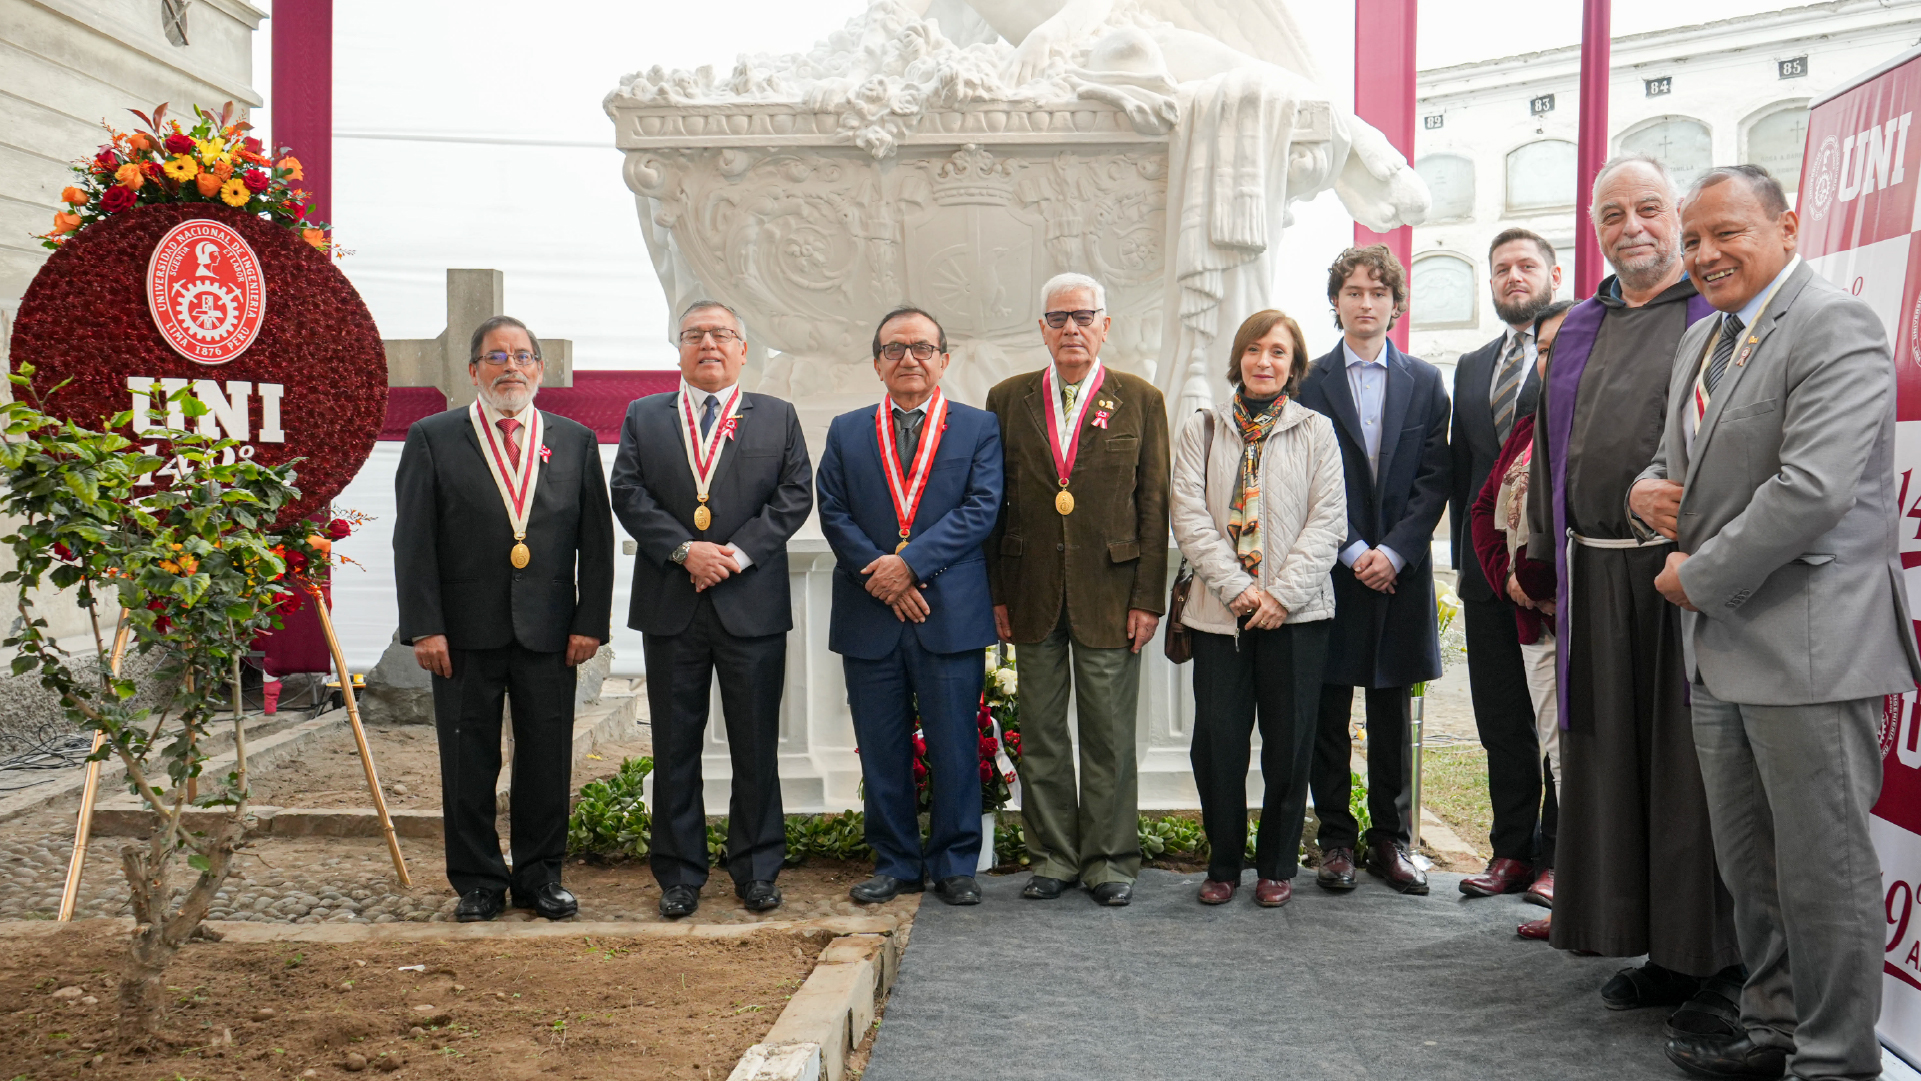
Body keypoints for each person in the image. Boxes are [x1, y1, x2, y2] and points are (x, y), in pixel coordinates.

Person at [1629, 165, 1921, 1081]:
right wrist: (1641, 493)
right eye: (1691, 241)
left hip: (1807, 645)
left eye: (1725, 233)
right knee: (1750, 862)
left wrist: (1696, 578)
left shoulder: (1834, 325)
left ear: (1786, 226)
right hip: (1720, 651)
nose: (1704, 254)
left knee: (1822, 867)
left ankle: (1834, 1060)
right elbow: (1670, 465)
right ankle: (1773, 1025)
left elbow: (1813, 491)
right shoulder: (1704, 342)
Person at [1523, 153, 1740, 1027]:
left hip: (1684, 574)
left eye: (1647, 208)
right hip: (1592, 572)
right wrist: (1542, 553)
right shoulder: (1576, 324)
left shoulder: (1718, 314)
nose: (1631, 227)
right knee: (1614, 761)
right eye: (1610, 215)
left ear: (1677, 213)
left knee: (1691, 770)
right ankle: (1651, 943)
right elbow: (1550, 446)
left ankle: (1717, 959)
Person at [394, 315, 614, 923]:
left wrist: (590, 620)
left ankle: (542, 877)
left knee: (546, 758)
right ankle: (478, 882)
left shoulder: (573, 440)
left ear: (541, 370)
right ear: (474, 371)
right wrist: (424, 626)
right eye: (496, 356)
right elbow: (412, 540)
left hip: (550, 631)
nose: (510, 366)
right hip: (461, 634)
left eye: (522, 356)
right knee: (468, 761)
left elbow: (594, 540)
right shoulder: (433, 437)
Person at [609, 300, 814, 919]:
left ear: (743, 350)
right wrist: (683, 550)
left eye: (722, 334)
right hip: (672, 603)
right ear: (678, 348)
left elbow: (794, 493)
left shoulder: (776, 417)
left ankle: (756, 870)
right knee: (675, 743)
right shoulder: (645, 416)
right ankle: (679, 874)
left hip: (749, 606)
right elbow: (628, 491)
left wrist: (736, 555)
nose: (709, 344)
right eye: (695, 334)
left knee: (756, 744)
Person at [984, 271, 1170, 907]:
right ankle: (1053, 859)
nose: (1072, 329)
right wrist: (997, 594)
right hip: (1030, 590)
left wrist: (1149, 597)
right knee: (1039, 733)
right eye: (1059, 318)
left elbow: (1155, 506)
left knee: (1110, 735)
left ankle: (1110, 862)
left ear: (1105, 325)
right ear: (1042, 329)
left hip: (1112, 594)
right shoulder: (1007, 399)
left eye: (1083, 317)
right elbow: (993, 506)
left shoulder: (1140, 400)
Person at [817, 307, 1004, 907]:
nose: (909, 359)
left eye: (922, 348)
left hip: (947, 611)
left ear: (944, 360)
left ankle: (955, 863)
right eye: (895, 349)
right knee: (881, 747)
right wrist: (885, 576)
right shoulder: (846, 430)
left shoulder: (978, 428)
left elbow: (981, 508)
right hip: (870, 611)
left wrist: (910, 566)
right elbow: (833, 510)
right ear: (877, 363)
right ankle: (895, 861)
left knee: (954, 744)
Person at [1170, 309, 1344, 908]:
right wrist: (1238, 591)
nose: (1264, 361)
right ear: (1238, 357)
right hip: (1220, 616)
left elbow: (1328, 523)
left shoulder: (1316, 431)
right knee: (1217, 740)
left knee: (1290, 742)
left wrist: (1279, 595)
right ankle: (1222, 865)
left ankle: (1277, 866)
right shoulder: (1204, 429)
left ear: (1294, 365)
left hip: (1297, 618)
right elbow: (1188, 515)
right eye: (1254, 350)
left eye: (1278, 352)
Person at [1297, 245, 1451, 896]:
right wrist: (1350, 547)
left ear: (1394, 303)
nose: (1365, 302)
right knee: (1325, 708)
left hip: (1398, 574)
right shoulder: (1307, 384)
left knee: (1390, 710)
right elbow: (1301, 478)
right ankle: (1334, 838)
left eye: (1378, 292)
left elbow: (1434, 476)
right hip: (1331, 572)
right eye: (1353, 291)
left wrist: (1391, 552)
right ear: (1335, 301)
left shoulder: (1424, 380)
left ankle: (1388, 838)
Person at [1450, 230, 1560, 905]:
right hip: (1486, 574)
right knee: (1501, 723)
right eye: (1500, 269)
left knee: (1560, 721)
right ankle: (1511, 851)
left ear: (1552, 272)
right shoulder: (1468, 366)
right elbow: (1466, 476)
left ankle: (1558, 855)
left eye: (1525, 266)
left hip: (1552, 579)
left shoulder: (1576, 353)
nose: (1512, 277)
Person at [1470, 299, 1574, 940]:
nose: (1549, 359)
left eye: (1563, 346)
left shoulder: (1607, 424)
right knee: (1554, 752)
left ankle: (1577, 886)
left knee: (1587, 758)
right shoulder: (1530, 424)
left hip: (1583, 622)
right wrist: (1507, 579)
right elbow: (1485, 505)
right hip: (1529, 619)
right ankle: (1568, 894)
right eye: (1541, 350)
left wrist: (1541, 583)